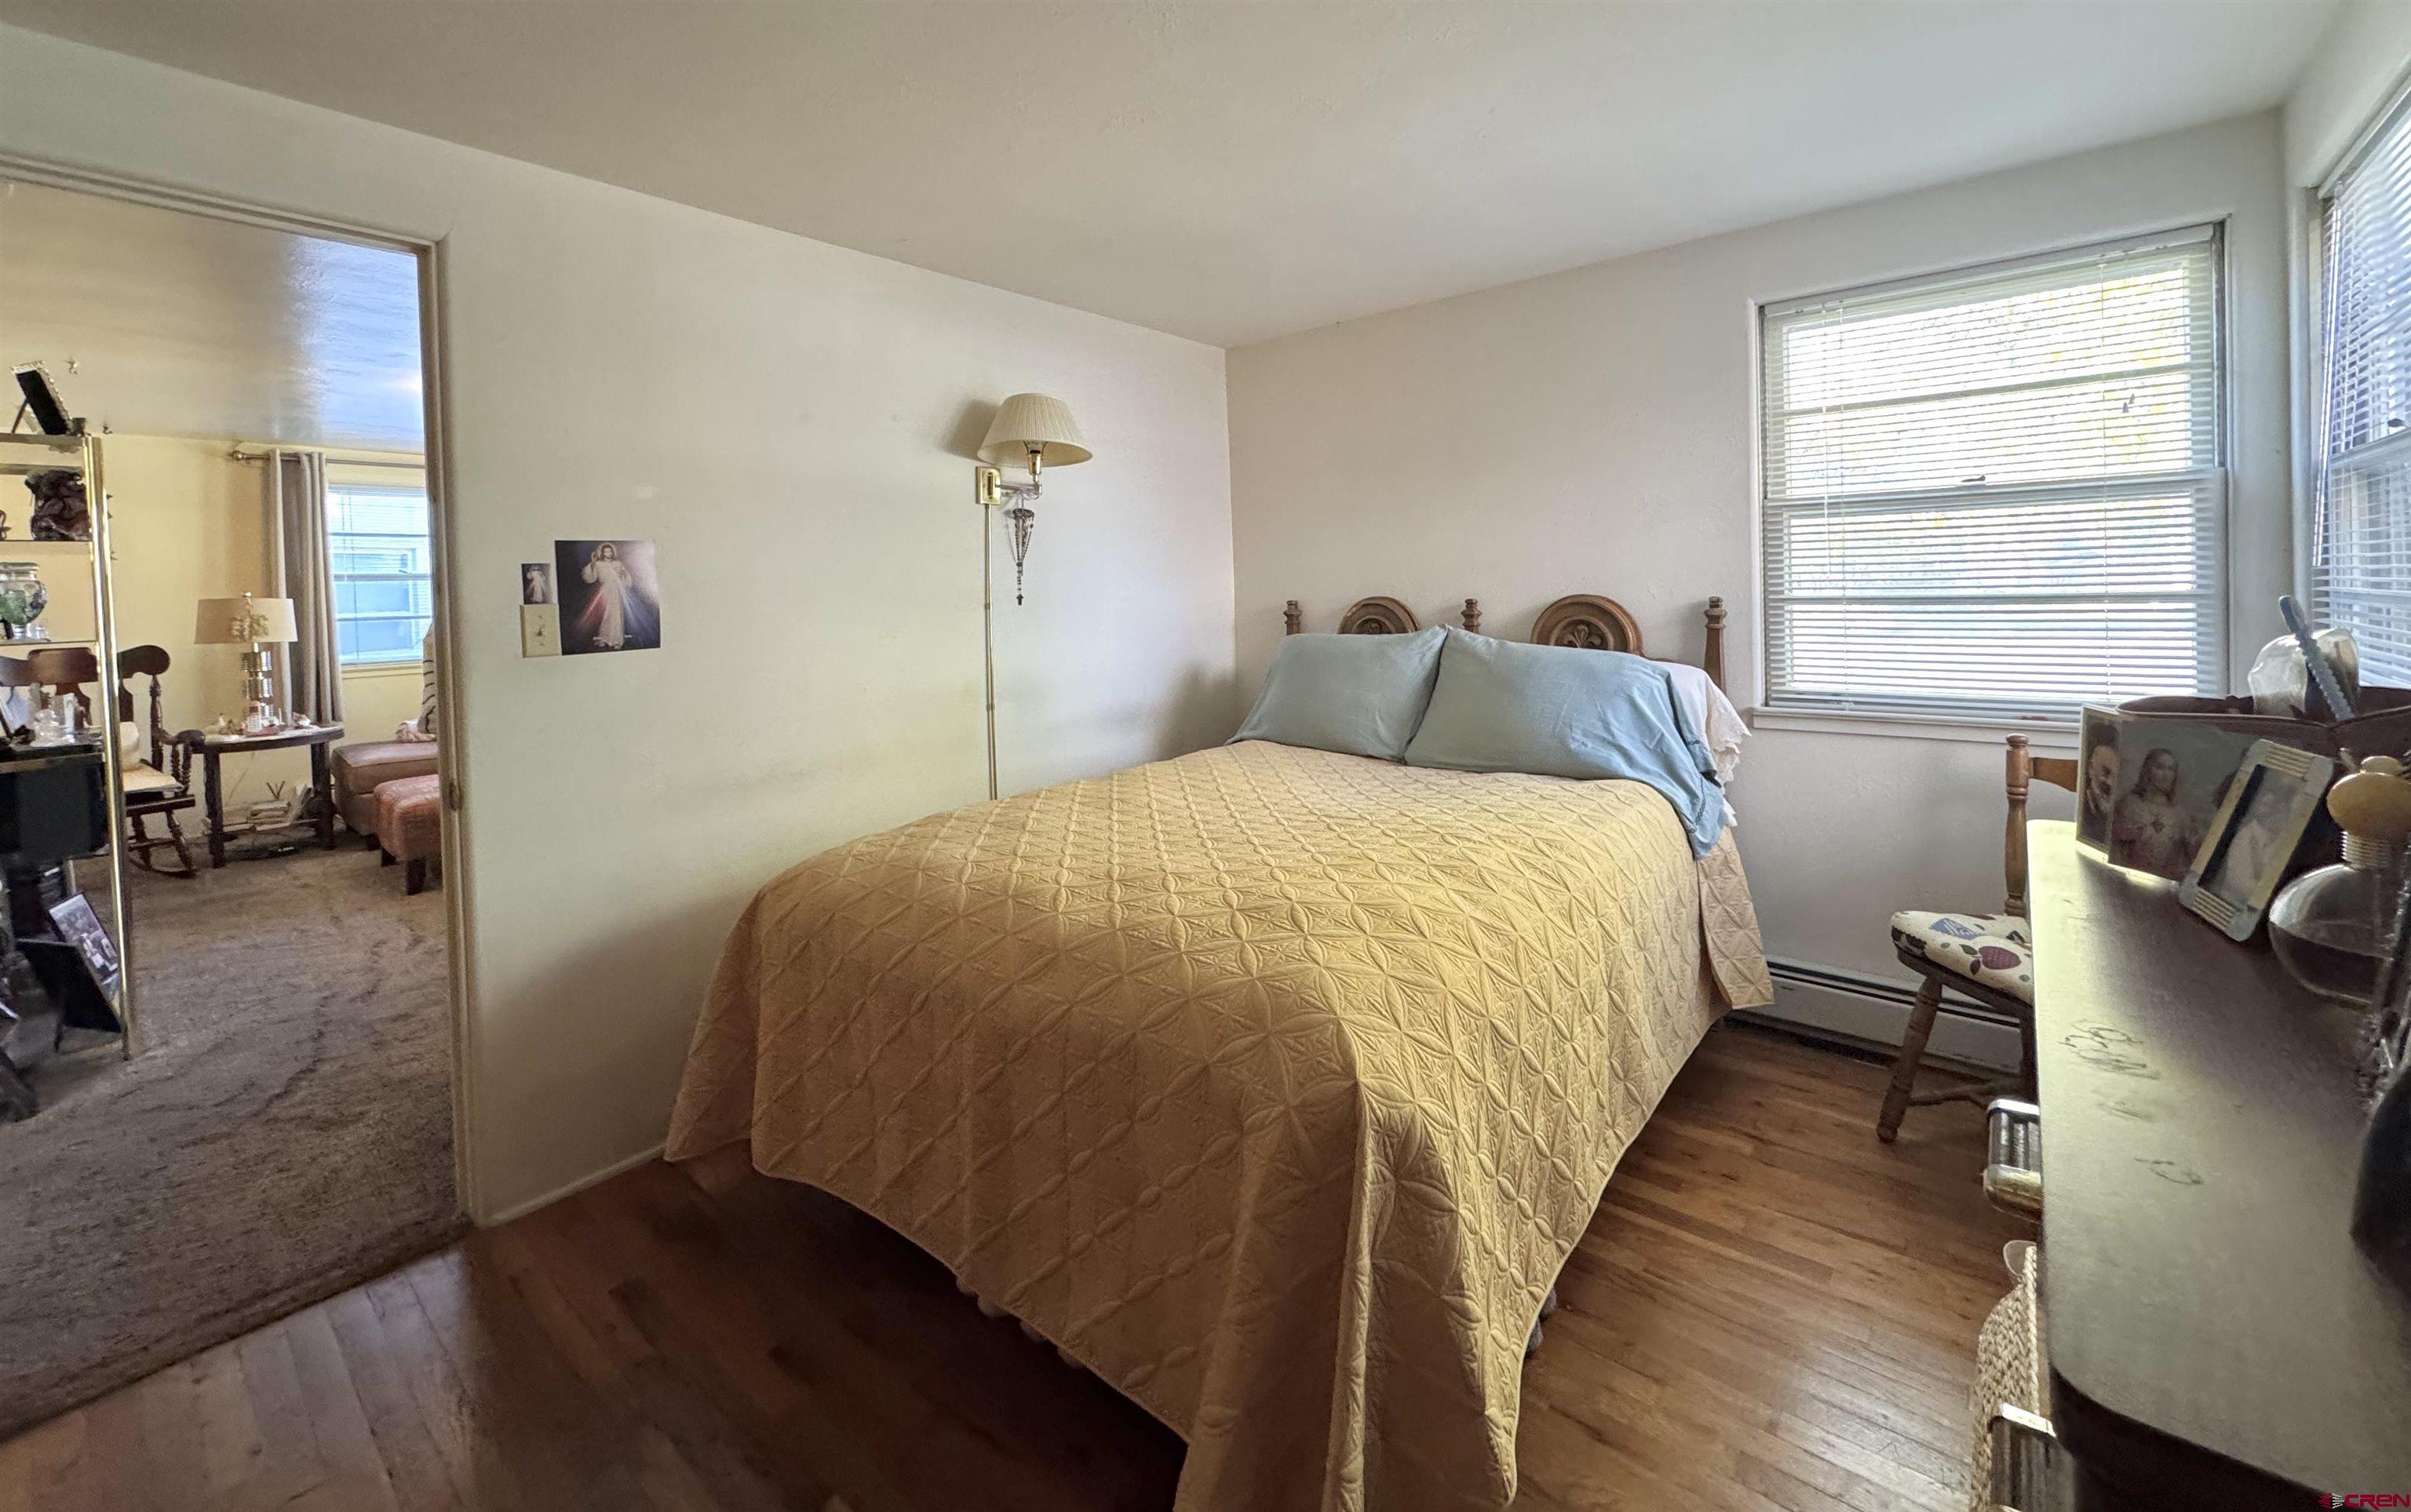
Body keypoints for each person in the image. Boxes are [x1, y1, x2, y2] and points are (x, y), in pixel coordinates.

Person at [2110, 747, 2198, 878]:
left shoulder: (2180, 815)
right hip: (2128, 879)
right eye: (2160, 768)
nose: (2166, 775)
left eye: (2171, 769)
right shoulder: (2129, 805)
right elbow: (2115, 848)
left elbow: (2189, 858)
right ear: (2148, 771)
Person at [582, 542, 631, 650]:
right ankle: (604, 638)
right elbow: (592, 578)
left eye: (610, 551)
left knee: (616, 614)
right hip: (604, 591)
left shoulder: (618, 563)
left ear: (613, 552)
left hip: (616, 591)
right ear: (602, 552)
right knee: (606, 614)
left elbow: (625, 577)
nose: (608, 553)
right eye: (605, 551)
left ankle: (616, 640)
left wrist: (622, 575)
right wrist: (593, 563)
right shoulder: (599, 564)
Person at [2080, 723, 2120, 845]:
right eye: (2105, 772)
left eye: (2116, 776)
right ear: (2091, 768)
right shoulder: (2085, 803)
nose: (2110, 783)